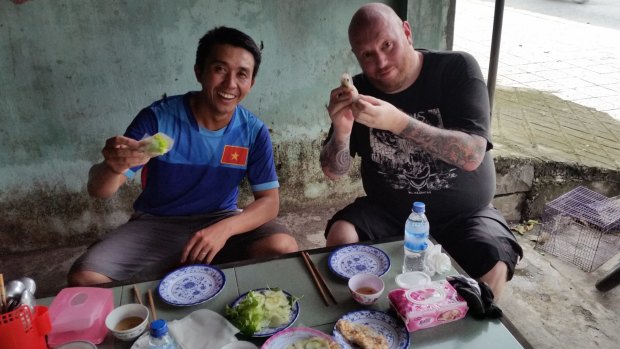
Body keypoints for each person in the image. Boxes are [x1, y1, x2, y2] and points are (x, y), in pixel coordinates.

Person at [320, 3, 522, 299]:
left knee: (493, 262)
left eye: (387, 44)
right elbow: (333, 172)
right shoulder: (360, 91)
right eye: (367, 54)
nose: (381, 61)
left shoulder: (456, 69)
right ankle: (362, 321)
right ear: (356, 57)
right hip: (388, 212)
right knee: (341, 236)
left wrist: (399, 123)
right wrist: (342, 130)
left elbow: (472, 155)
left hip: (465, 214)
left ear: (407, 32)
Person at [69, 26, 298, 286]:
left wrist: (225, 228)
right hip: (156, 224)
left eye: (242, 74)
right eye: (219, 69)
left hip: (220, 218)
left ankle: (205, 276)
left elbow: (270, 202)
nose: (230, 84)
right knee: (84, 278)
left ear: (251, 83)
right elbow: (99, 189)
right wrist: (112, 167)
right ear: (199, 71)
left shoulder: (253, 131)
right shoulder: (159, 118)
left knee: (283, 248)